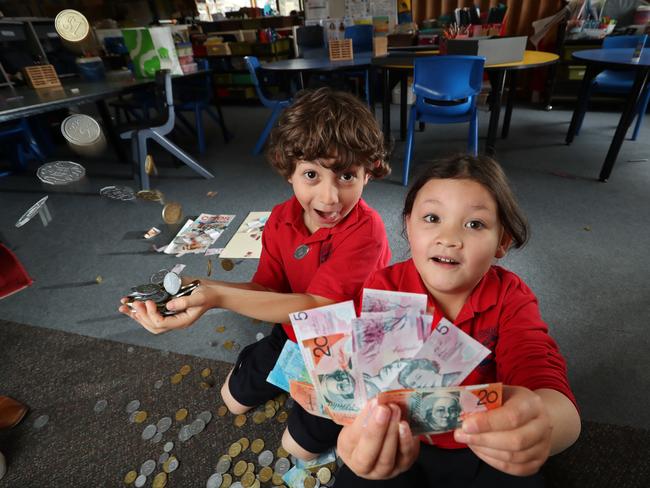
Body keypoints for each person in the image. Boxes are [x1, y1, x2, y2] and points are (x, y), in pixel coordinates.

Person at [119, 87, 391, 461]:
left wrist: (215, 296)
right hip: (292, 331)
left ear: (368, 174)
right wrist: (198, 289)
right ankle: (275, 363)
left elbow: (317, 306)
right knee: (231, 401)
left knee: (298, 450)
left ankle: (350, 393)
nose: (330, 198)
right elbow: (266, 288)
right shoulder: (281, 218)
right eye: (312, 174)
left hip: (346, 350)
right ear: (288, 172)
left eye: (347, 176)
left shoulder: (368, 232)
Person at [336, 154, 581, 486]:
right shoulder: (386, 287)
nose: (449, 238)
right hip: (408, 439)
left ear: (502, 242)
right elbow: (374, 383)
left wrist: (542, 424)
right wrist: (361, 436)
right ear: (409, 225)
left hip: (486, 444)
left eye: (475, 224)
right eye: (432, 217)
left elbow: (544, 379)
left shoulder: (511, 297)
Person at [363, 358, 461, 398]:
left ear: (430, 369)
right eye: (413, 384)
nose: (418, 383)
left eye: (418, 376)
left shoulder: (455, 377)